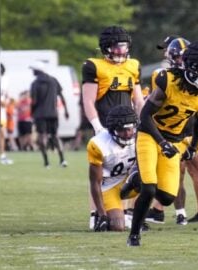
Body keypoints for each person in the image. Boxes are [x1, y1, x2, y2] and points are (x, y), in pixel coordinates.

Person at [127, 41, 198, 247]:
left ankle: (135, 180)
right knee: (150, 188)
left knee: (167, 197)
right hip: (149, 134)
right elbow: (144, 116)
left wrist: (194, 146)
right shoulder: (167, 80)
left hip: (174, 140)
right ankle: (134, 235)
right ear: (193, 67)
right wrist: (161, 142)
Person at [144, 37, 198, 226]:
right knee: (177, 174)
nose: (178, 61)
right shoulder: (163, 76)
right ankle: (177, 213)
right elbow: (151, 108)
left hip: (193, 131)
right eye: (176, 57)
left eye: (181, 57)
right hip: (169, 131)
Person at [82, 25, 144, 229]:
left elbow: (138, 99)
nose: (121, 51)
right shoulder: (94, 66)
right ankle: (95, 214)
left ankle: (126, 211)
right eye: (117, 47)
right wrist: (97, 126)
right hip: (106, 127)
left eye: (124, 47)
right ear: (107, 47)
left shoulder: (133, 65)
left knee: (130, 167)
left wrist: (143, 122)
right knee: (102, 173)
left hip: (129, 126)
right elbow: (88, 100)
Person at [88, 105, 140, 232]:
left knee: (150, 179)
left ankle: (139, 217)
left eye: (130, 129)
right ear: (113, 130)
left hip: (129, 181)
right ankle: (98, 215)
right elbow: (95, 183)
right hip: (109, 186)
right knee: (117, 226)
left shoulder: (140, 138)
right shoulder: (98, 145)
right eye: (123, 130)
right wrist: (102, 215)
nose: (128, 134)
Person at [30, 61, 69, 168]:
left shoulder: (35, 83)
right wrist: (66, 110)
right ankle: (62, 160)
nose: (32, 71)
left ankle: (47, 163)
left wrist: (31, 112)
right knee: (55, 136)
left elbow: (33, 101)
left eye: (33, 70)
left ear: (38, 70)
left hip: (40, 114)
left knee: (41, 137)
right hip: (53, 113)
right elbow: (61, 96)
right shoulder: (53, 80)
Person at [0, 63, 13, 165]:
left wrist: (8, 100)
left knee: (1, 134)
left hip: (1, 113)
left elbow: (6, 95)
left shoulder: (4, 81)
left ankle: (2, 156)